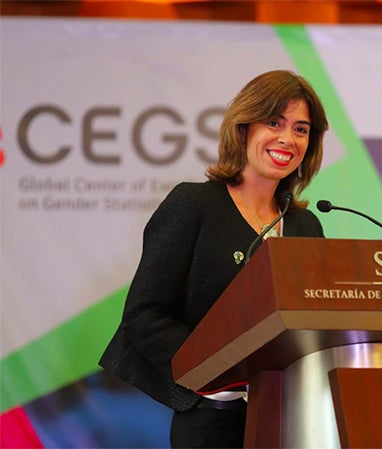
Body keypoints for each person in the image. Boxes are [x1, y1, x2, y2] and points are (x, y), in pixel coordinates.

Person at [99, 70, 329, 448]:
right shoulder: (194, 205)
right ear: (243, 129)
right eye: (274, 122)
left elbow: (317, 321)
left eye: (301, 129)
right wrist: (217, 373)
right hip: (212, 422)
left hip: (294, 420)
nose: (288, 138)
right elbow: (144, 316)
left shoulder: (306, 225)